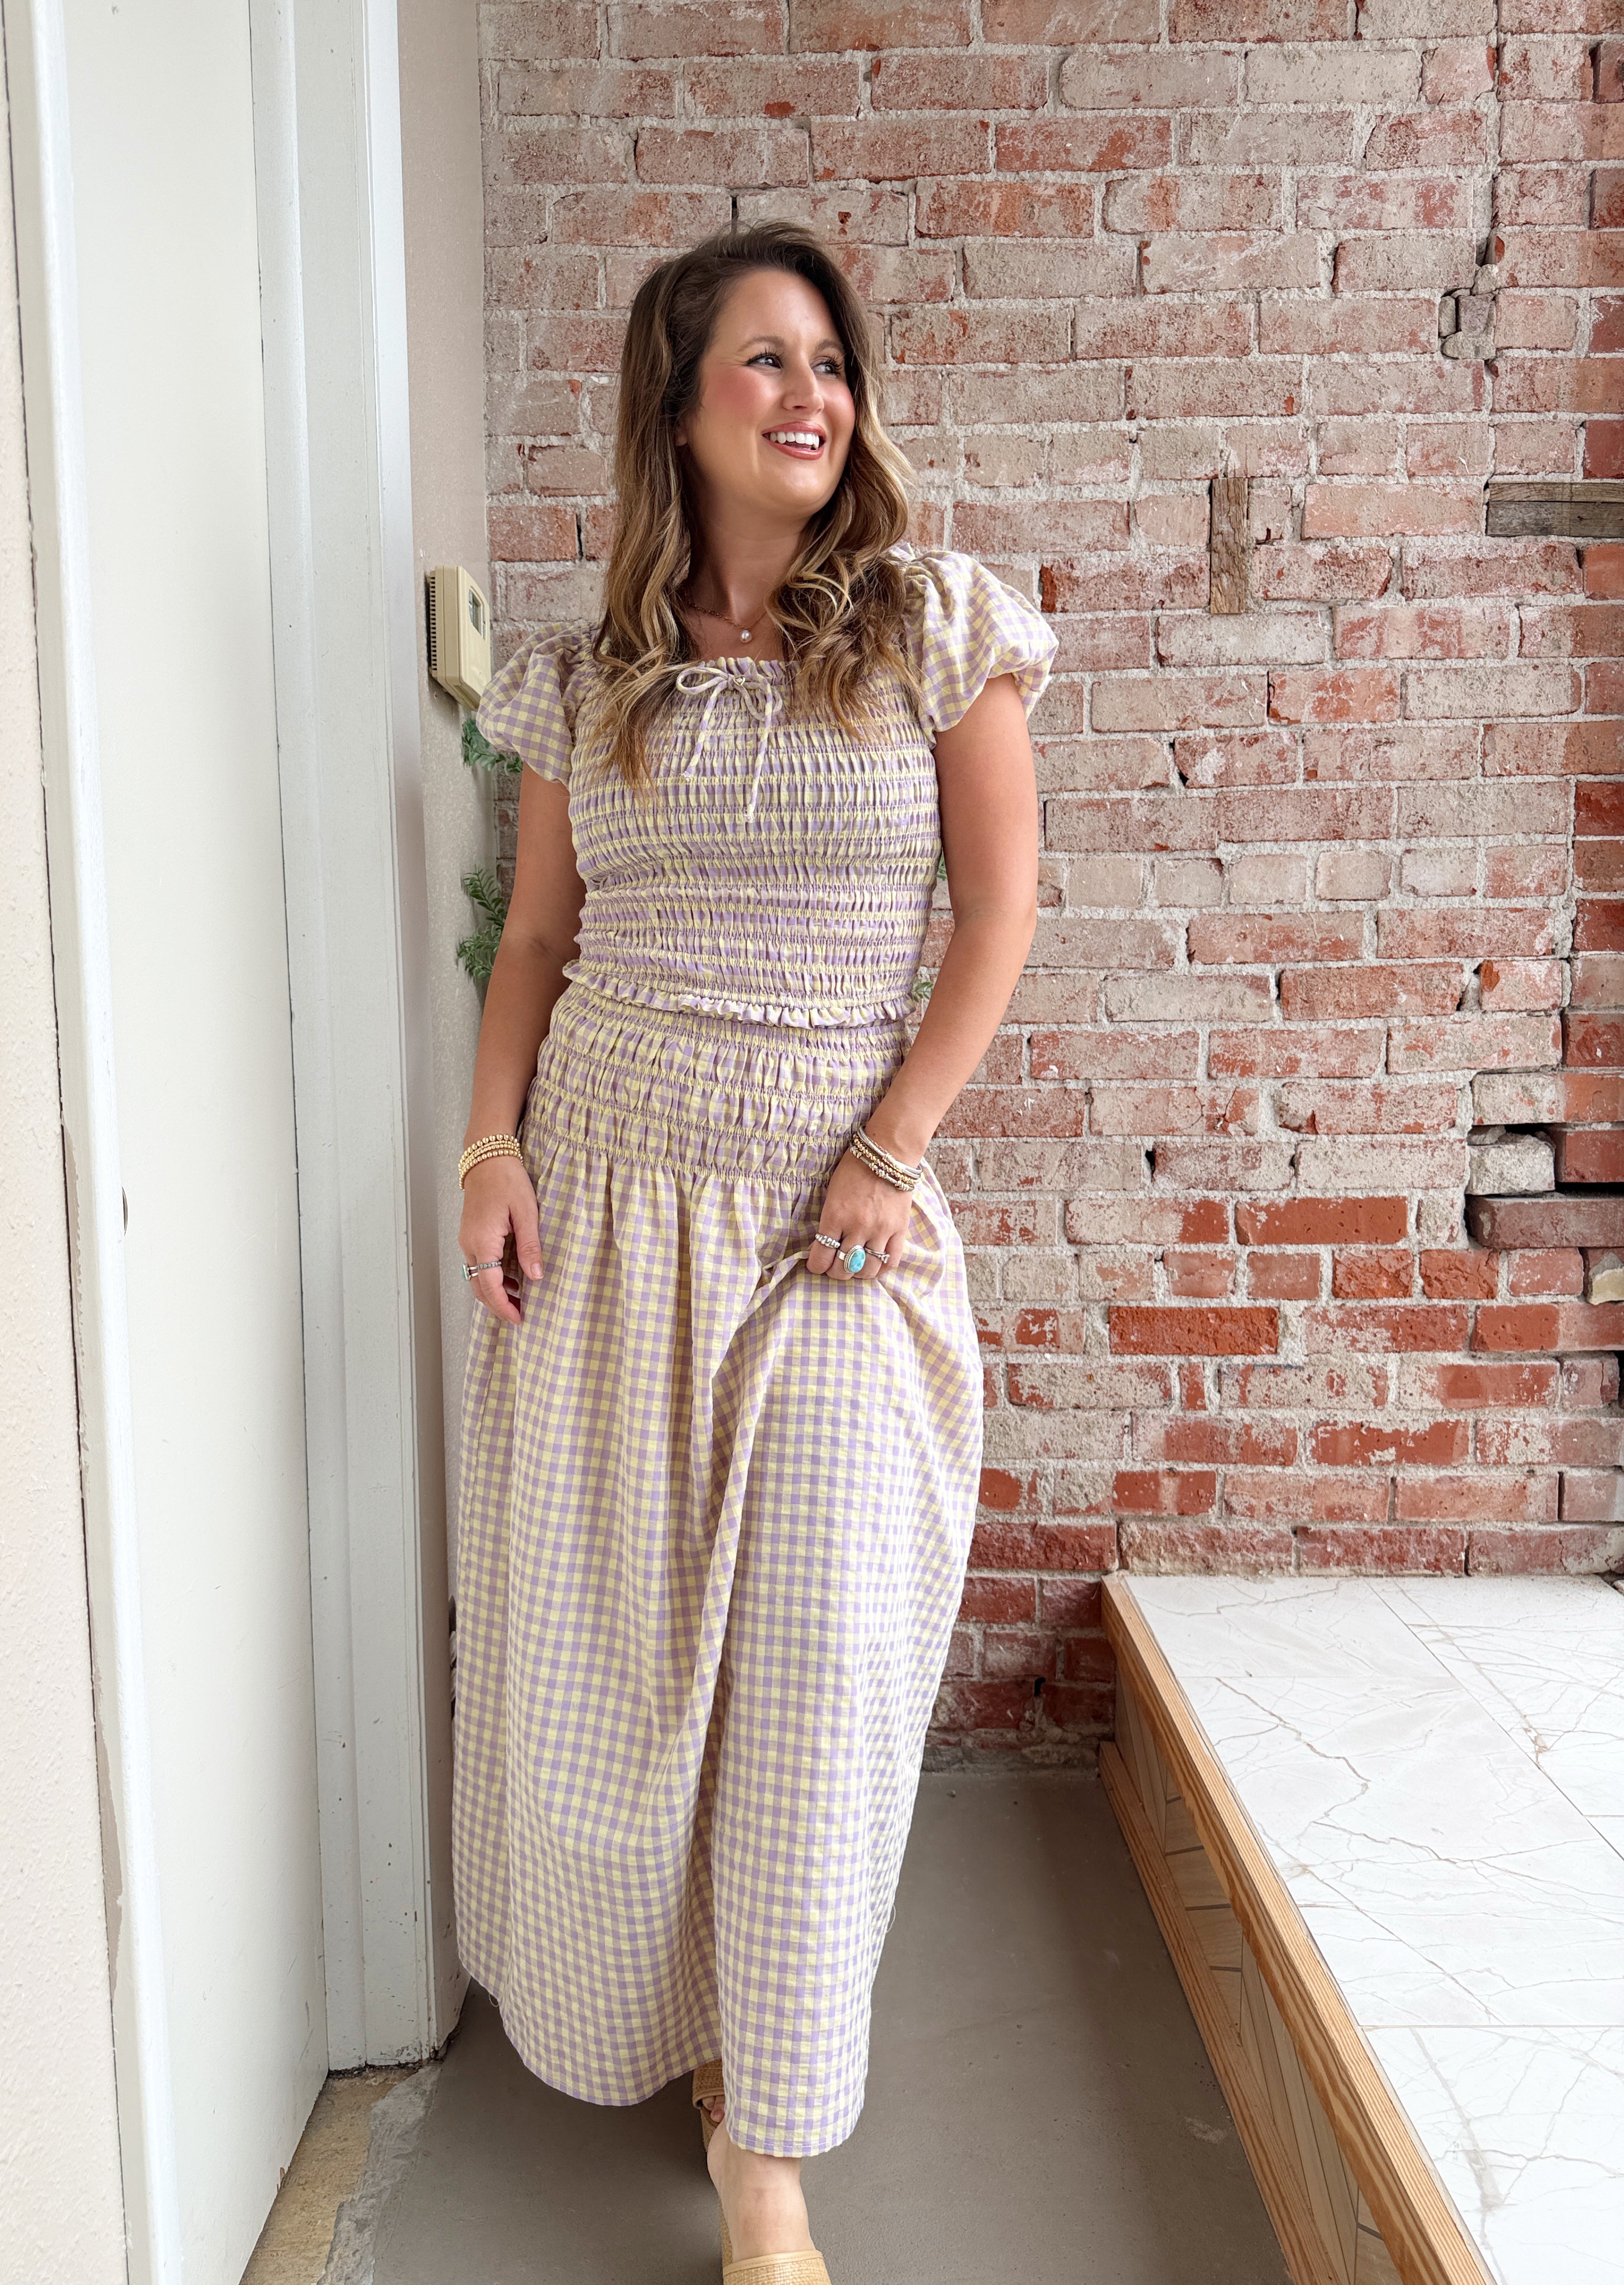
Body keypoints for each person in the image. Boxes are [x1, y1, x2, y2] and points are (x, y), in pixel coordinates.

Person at [452, 224, 1055, 2283]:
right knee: (620, 1658)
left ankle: (767, 2155)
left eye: (832, 362)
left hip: (829, 1230)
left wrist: (892, 1154)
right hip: (608, 1204)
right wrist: (486, 1150)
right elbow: (539, 941)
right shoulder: (588, 675)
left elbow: (999, 916)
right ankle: (672, 2026)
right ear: (679, 400)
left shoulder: (931, 625)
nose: (813, 396)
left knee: (811, 1669)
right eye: (767, 360)